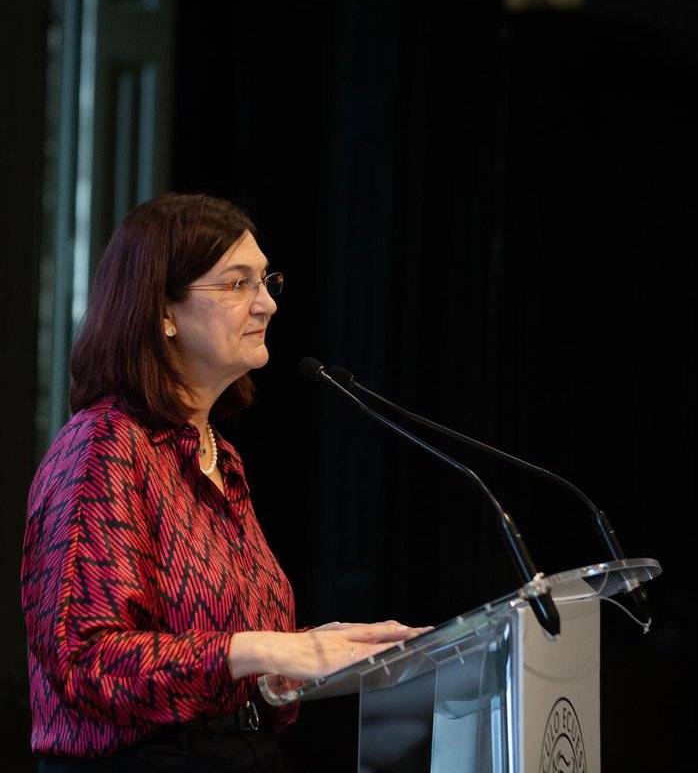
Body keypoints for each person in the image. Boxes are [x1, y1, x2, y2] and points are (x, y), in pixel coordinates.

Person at [21, 193, 421, 772]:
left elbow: (223, 659)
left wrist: (309, 656)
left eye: (266, 281)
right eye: (237, 284)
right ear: (163, 311)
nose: (267, 304)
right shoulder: (104, 447)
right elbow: (87, 662)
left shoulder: (219, 456)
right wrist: (265, 647)